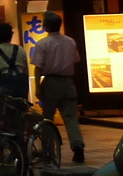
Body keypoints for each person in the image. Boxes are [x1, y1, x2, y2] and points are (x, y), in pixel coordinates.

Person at [28, 11, 85, 164]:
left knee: (48, 119)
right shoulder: (70, 41)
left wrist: (38, 86)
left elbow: (38, 67)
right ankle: (78, 146)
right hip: (67, 82)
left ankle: (48, 150)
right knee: (71, 118)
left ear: (46, 26)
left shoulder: (42, 44)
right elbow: (75, 61)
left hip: (51, 82)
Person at [0, 22, 27, 94]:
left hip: (4, 80)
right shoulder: (20, 49)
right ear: (11, 35)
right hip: (20, 81)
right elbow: (25, 70)